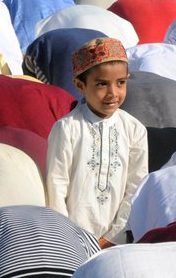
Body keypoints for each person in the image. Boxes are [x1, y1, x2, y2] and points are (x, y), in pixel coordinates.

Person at [46, 37, 148, 247]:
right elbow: (56, 186)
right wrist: (68, 238)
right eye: (102, 84)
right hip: (71, 241)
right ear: (80, 85)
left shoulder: (134, 129)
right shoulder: (67, 127)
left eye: (121, 83)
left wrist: (112, 238)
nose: (113, 93)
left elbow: (136, 188)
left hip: (116, 242)